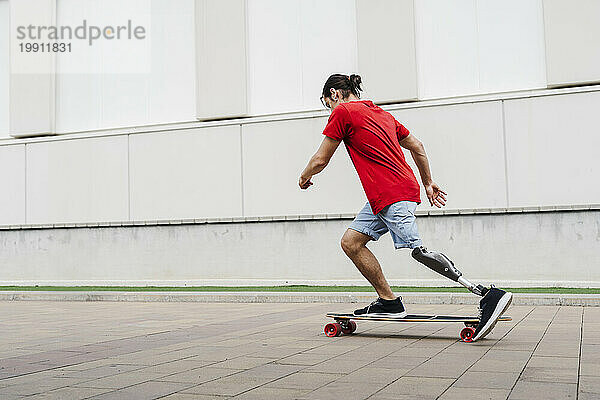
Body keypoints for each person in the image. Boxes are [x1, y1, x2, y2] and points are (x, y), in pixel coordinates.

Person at [299, 73, 512, 341]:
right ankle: (388, 301)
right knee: (351, 243)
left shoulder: (342, 111)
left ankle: (487, 293)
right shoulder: (382, 115)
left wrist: (305, 176)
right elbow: (417, 146)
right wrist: (428, 182)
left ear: (335, 93)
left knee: (418, 251)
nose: (328, 108)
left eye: (326, 102)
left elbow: (320, 159)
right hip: (386, 195)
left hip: (392, 193)